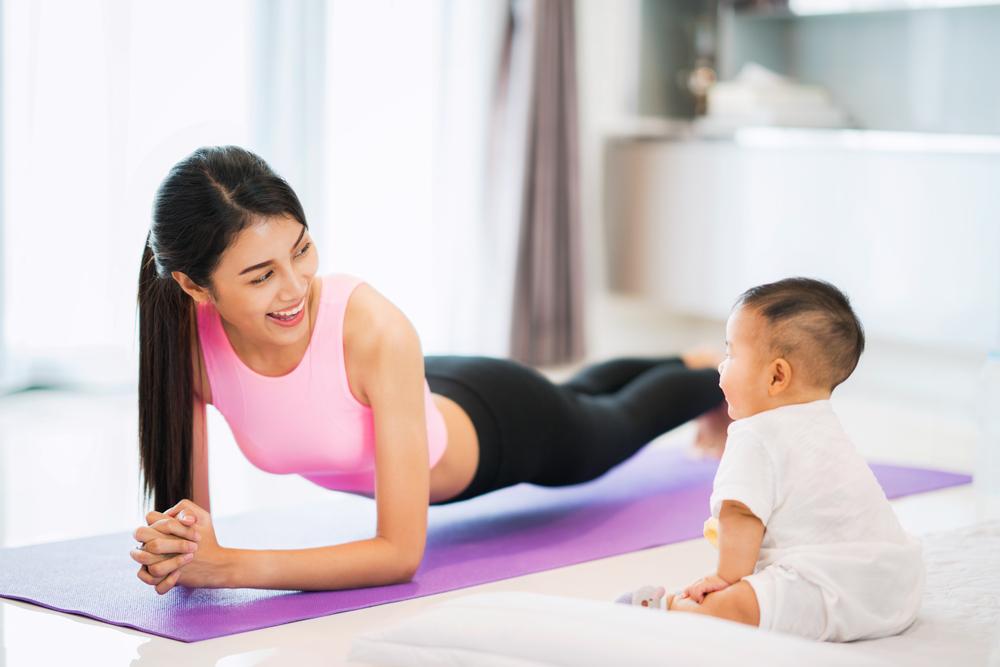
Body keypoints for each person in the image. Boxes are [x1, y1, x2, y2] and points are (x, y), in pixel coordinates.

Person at [131, 145, 727, 595]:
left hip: (500, 424)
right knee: (579, 393)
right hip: (417, 390)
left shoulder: (374, 326)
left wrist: (228, 565)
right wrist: (180, 548)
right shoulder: (183, 343)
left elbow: (398, 554)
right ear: (193, 285)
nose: (294, 289)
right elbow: (192, 529)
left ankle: (715, 374)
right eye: (261, 276)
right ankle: (683, 359)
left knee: (608, 421)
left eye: (302, 250)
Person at [617, 278, 924, 642]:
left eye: (731, 354)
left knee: (736, 607)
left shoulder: (755, 435)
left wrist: (727, 580)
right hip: (896, 586)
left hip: (822, 588)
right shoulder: (825, 424)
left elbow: (742, 514)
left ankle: (669, 609)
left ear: (777, 375)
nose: (720, 367)